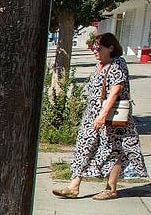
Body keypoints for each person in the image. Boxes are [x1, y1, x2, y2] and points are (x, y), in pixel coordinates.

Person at [52, 32, 146, 200]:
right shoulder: (99, 65)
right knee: (83, 147)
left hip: (113, 118)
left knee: (113, 150)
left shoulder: (118, 64)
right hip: (91, 116)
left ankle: (111, 189)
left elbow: (115, 91)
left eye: (98, 48)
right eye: (93, 48)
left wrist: (102, 116)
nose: (94, 51)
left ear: (110, 47)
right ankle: (73, 187)